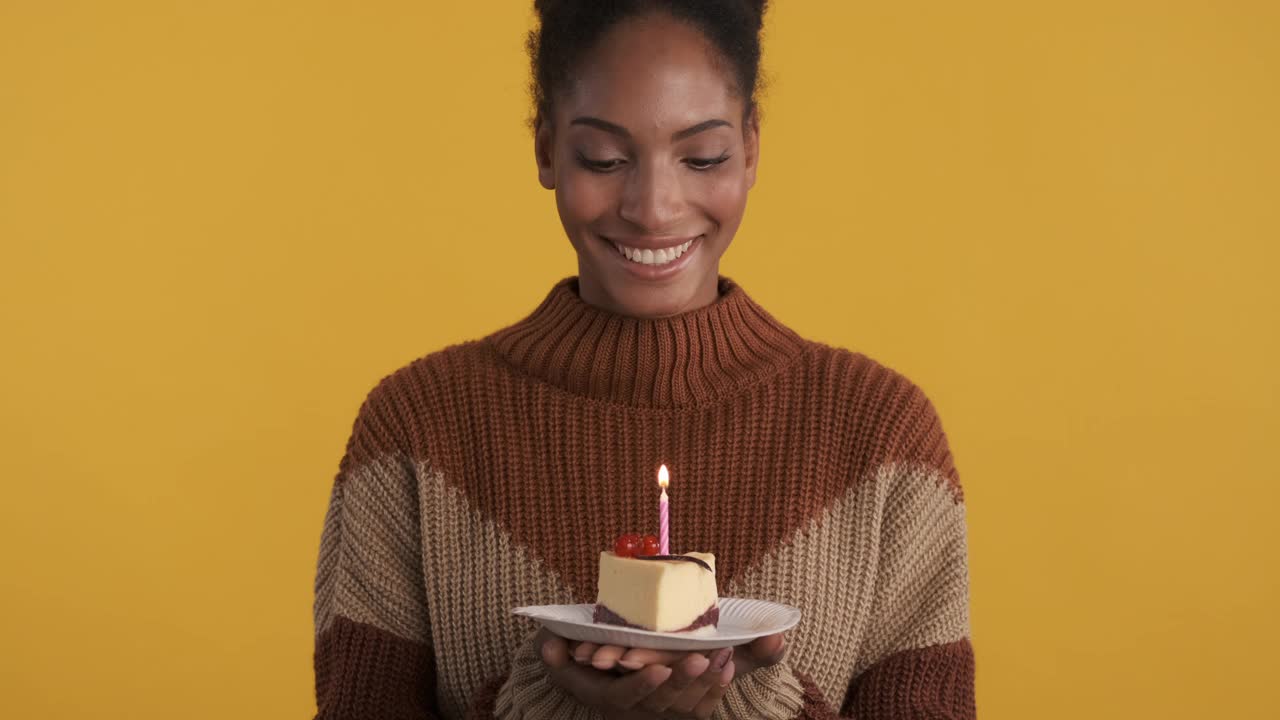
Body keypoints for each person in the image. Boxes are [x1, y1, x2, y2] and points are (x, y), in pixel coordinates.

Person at [311, 1, 975, 718]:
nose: (654, 207)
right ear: (546, 150)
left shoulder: (882, 439)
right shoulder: (415, 431)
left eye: (703, 157)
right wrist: (545, 704)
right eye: (605, 159)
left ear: (751, 147)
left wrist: (746, 700)